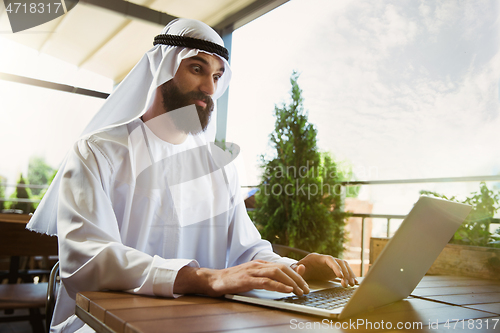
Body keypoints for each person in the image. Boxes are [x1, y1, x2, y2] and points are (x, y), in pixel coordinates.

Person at [27, 18, 357, 332]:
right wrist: (203, 279)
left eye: (216, 76)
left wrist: (293, 268)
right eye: (197, 69)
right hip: (101, 323)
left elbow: (246, 251)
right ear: (163, 68)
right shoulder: (98, 151)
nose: (208, 88)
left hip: (200, 319)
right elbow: (89, 260)